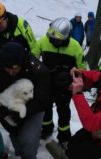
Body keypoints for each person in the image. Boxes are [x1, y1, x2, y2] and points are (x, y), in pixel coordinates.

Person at [0, 42, 51, 159]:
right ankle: (18, 150)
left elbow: (43, 100)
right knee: (15, 133)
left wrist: (19, 111)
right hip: (2, 105)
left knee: (28, 138)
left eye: (15, 68)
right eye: (8, 68)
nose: (11, 71)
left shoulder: (37, 70)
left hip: (31, 108)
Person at [32, 17, 86, 146]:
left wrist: (75, 79)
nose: (53, 42)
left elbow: (82, 69)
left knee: (63, 111)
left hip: (64, 86)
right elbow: (33, 58)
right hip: (46, 83)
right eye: (52, 39)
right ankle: (46, 129)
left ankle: (64, 136)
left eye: (57, 40)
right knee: (45, 108)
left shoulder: (75, 47)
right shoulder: (44, 41)